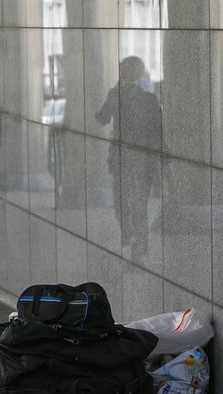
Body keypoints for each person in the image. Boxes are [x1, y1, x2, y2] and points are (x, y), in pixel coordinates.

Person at [95, 56, 161, 260]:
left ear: (122, 73)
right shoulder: (150, 99)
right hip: (143, 159)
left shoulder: (115, 95)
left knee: (122, 201)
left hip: (122, 158)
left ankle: (130, 237)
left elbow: (102, 119)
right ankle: (139, 247)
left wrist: (112, 96)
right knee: (139, 204)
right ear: (140, 74)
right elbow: (158, 132)